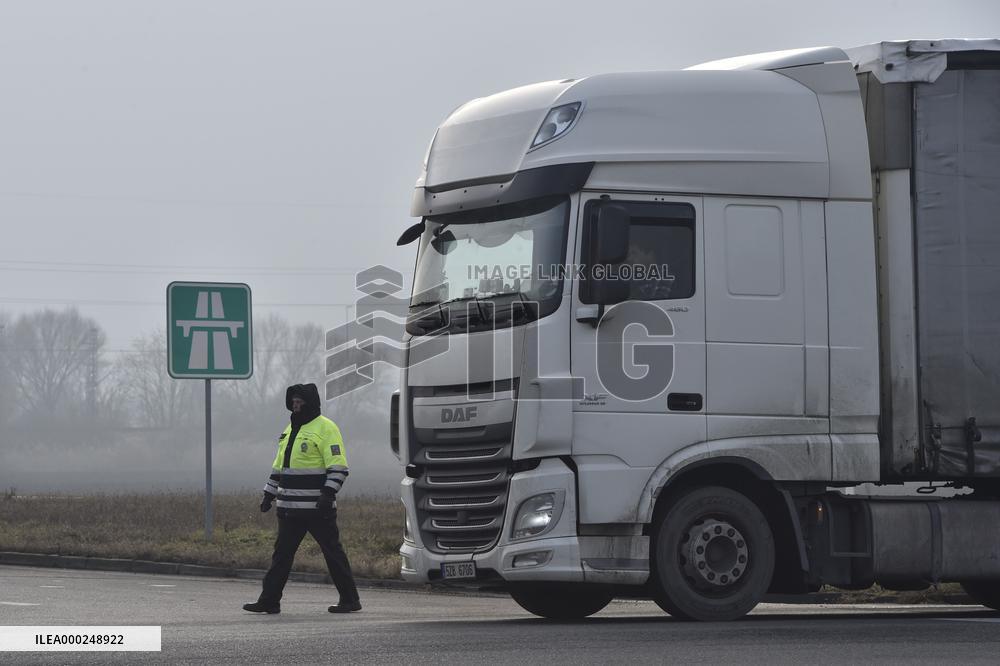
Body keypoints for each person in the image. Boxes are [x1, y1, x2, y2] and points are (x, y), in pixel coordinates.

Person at [243, 383, 361, 614]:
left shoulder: (326, 428)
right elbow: (279, 467)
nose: (295, 405)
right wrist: (268, 494)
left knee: (333, 554)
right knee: (281, 556)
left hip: (317, 509)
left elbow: (339, 467)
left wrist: (328, 494)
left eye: (299, 402)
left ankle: (350, 600)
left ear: (309, 403)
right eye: (293, 402)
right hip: (289, 509)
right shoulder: (289, 430)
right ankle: (269, 601)